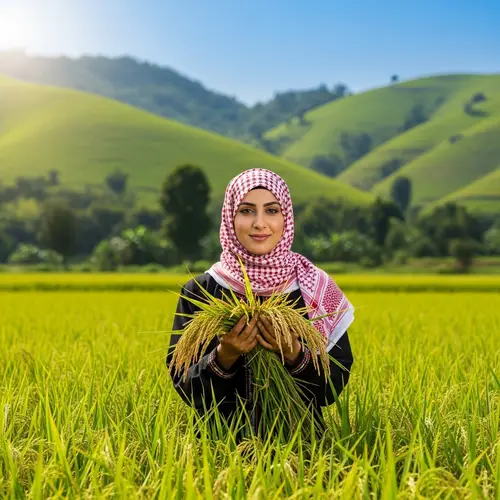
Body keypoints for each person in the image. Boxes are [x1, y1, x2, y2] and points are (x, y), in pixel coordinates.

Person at [166, 168, 354, 439]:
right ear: (230, 217)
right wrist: (224, 355)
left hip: (302, 453)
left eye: (271, 210)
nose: (260, 223)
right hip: (217, 453)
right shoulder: (201, 292)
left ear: (286, 217)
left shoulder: (314, 289)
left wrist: (294, 353)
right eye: (246, 211)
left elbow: (332, 388)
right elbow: (185, 386)